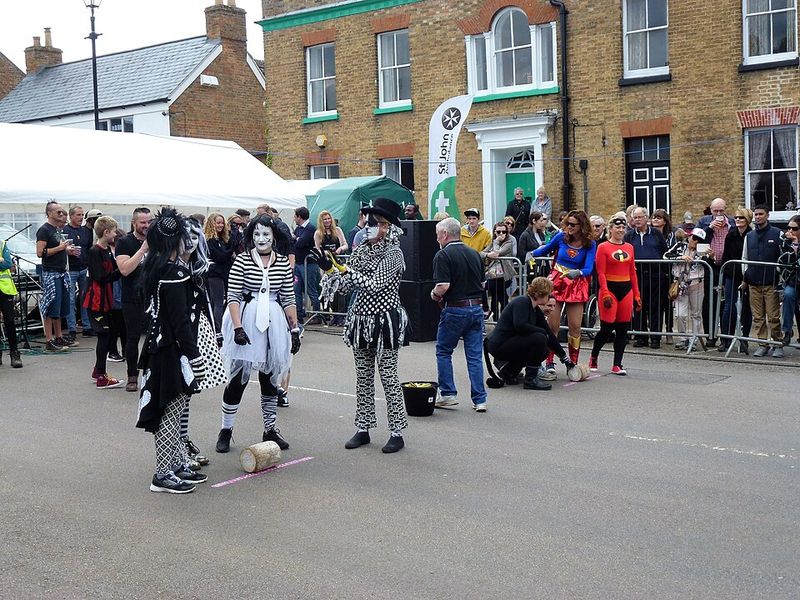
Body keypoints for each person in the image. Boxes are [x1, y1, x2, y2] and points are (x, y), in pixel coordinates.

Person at [317, 198, 409, 453]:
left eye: (376, 223)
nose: (369, 227)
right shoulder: (360, 251)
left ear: (388, 227)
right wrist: (331, 270)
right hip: (360, 321)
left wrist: (345, 270)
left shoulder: (394, 253)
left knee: (389, 377)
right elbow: (347, 287)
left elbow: (375, 284)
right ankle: (363, 428)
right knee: (363, 377)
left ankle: (396, 431)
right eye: (367, 222)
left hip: (384, 321)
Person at [136, 209, 207, 494]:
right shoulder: (174, 271)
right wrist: (194, 356)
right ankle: (162, 474)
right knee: (170, 412)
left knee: (170, 411)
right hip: (171, 351)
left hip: (158, 347)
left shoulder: (155, 266)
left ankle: (174, 465)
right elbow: (181, 321)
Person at [215, 214, 300, 454]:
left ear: (274, 237)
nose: (261, 239)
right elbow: (232, 296)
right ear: (251, 237)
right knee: (238, 379)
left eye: (266, 234)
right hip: (247, 319)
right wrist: (238, 327)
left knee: (269, 378)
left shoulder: (282, 262)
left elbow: (288, 297)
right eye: (256, 234)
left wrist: (294, 329)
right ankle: (226, 430)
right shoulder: (242, 261)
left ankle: (270, 429)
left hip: (274, 323)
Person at [180, 217, 226, 468]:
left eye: (196, 237)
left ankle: (183, 439)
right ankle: (176, 445)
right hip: (177, 336)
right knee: (177, 393)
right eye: (187, 237)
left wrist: (214, 332)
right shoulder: (168, 268)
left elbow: (204, 302)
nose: (191, 242)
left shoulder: (197, 268)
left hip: (198, 332)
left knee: (189, 392)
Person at [432, 217, 487, 411]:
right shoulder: (474, 253)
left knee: (444, 351)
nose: (437, 237)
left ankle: (448, 393)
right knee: (474, 356)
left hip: (455, 308)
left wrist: (433, 295)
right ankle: (480, 399)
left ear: (445, 234)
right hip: (476, 308)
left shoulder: (443, 255)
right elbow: (482, 284)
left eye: (438, 233)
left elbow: (443, 286)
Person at [532, 210, 597, 367]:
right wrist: (530, 254)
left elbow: (589, 268)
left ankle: (572, 363)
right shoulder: (561, 237)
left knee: (575, 327)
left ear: (582, 226)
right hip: (557, 282)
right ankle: (549, 362)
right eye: (567, 223)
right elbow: (545, 249)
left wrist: (578, 272)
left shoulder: (590, 244)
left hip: (576, 284)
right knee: (552, 326)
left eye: (573, 224)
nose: (568, 227)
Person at [486, 276, 574, 390]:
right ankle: (530, 380)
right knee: (539, 338)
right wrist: (542, 332)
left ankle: (508, 373)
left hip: (509, 342)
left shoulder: (535, 309)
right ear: (540, 294)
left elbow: (550, 335)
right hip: (498, 345)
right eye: (547, 294)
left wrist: (565, 358)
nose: (548, 298)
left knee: (544, 348)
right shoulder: (522, 302)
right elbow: (520, 326)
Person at [589, 214, 641, 374]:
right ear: (610, 229)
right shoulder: (603, 247)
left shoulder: (629, 248)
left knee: (622, 329)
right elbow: (601, 273)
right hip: (609, 289)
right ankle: (594, 356)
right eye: (617, 227)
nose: (620, 230)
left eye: (623, 227)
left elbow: (632, 273)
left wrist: (637, 295)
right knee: (606, 328)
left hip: (626, 289)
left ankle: (617, 364)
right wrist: (604, 292)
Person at [115, 207, 153, 391]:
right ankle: (132, 376)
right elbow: (125, 269)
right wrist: (143, 249)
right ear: (134, 223)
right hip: (132, 296)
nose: (147, 226)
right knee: (133, 337)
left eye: (149, 222)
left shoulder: (158, 241)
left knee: (156, 337)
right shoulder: (124, 242)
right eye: (143, 222)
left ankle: (154, 374)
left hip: (153, 296)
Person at [84, 216, 123, 389]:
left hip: (106, 300)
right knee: (104, 336)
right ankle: (101, 375)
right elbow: (100, 276)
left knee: (110, 333)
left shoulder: (107, 250)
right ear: (106, 232)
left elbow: (116, 268)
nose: (116, 234)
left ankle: (97, 369)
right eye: (114, 231)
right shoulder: (95, 251)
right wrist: (120, 273)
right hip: (96, 301)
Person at [36, 201, 78, 352]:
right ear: (49, 214)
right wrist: (60, 248)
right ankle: (49, 339)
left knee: (60, 307)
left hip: (61, 271)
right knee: (50, 305)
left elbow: (58, 249)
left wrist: (67, 250)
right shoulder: (44, 230)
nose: (62, 214)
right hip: (51, 273)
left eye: (62, 212)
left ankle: (59, 336)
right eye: (58, 212)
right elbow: (41, 252)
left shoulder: (57, 230)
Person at [743, 205, 784, 358]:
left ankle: (777, 343)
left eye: (761, 214)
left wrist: (779, 277)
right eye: (756, 214)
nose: (758, 217)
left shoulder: (777, 233)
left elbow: (782, 257)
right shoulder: (750, 236)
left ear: (767, 215)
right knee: (758, 316)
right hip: (754, 282)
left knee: (773, 316)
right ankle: (762, 344)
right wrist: (746, 274)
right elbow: (744, 257)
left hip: (771, 282)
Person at [625, 206, 668, 349]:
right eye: (634, 217)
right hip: (637, 276)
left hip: (655, 276)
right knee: (638, 306)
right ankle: (641, 337)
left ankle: (655, 338)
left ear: (646, 218)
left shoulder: (656, 234)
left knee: (656, 307)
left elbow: (664, 251)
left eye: (639, 217)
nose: (637, 220)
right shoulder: (629, 236)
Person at [697, 198, 734, 345]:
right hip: (710, 267)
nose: (718, 214)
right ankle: (710, 336)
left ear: (725, 210)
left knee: (726, 303)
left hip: (727, 266)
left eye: (721, 211)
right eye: (715, 211)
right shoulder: (703, 222)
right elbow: (695, 240)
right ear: (710, 210)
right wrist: (710, 228)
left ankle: (726, 337)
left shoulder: (731, 223)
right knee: (709, 302)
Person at [665, 228, 710, 351]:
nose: (695, 242)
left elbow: (708, 262)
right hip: (681, 284)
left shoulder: (704, 250)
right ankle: (683, 338)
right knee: (680, 314)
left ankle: (694, 340)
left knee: (696, 314)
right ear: (689, 237)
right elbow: (665, 256)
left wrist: (709, 255)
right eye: (694, 238)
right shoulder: (679, 246)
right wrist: (681, 256)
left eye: (699, 240)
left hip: (697, 283)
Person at [719, 207, 753, 353]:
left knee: (746, 308)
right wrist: (726, 273)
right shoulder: (731, 234)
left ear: (747, 220)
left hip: (747, 276)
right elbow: (726, 256)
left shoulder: (751, 235)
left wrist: (746, 278)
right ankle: (725, 339)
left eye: (741, 218)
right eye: (736, 218)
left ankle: (744, 339)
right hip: (731, 274)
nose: (738, 220)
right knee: (728, 307)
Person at [62, 205, 92, 343]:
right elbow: (59, 247)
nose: (81, 217)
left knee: (85, 297)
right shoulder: (64, 230)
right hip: (70, 269)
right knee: (70, 299)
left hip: (84, 268)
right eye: (78, 215)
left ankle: (87, 326)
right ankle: (72, 328)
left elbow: (90, 248)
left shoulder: (86, 231)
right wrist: (67, 250)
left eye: (82, 215)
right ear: (71, 216)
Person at [204, 212, 235, 336]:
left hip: (225, 273)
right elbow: (219, 256)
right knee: (217, 302)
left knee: (227, 299)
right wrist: (231, 251)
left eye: (222, 222)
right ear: (212, 223)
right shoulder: (210, 240)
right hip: (215, 274)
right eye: (218, 222)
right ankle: (218, 329)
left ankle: (224, 324)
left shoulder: (223, 239)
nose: (221, 225)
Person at [293, 206, 322, 325]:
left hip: (309, 265)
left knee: (311, 290)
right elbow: (293, 240)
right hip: (299, 263)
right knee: (296, 289)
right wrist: (296, 239)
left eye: (295, 216)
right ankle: (299, 314)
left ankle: (317, 314)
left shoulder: (310, 228)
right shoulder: (298, 228)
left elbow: (300, 243)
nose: (294, 218)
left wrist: (297, 239)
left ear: (299, 217)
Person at [481, 221, 515, 319]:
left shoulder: (509, 242)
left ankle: (502, 319)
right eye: (498, 232)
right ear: (494, 232)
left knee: (502, 297)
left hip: (504, 275)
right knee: (496, 296)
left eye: (503, 232)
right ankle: (496, 318)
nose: (501, 234)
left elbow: (497, 253)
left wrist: (496, 242)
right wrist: (487, 254)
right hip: (492, 274)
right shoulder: (492, 242)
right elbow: (481, 253)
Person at [0, 235, 22, 368]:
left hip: (5, 288)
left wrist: (3, 261)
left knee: (9, 321)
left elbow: (8, 264)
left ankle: (14, 353)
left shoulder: (2, 244)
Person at [778, 215, 800, 347]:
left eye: (795, 228)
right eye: (789, 228)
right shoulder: (784, 241)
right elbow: (784, 261)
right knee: (788, 295)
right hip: (792, 280)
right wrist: (795, 245)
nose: (790, 231)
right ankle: (787, 331)